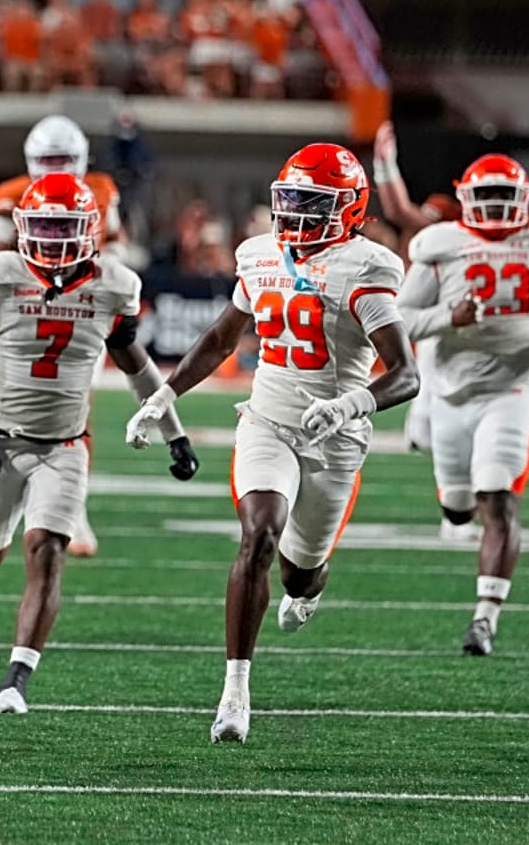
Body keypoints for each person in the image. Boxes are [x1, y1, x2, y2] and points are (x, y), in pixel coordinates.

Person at [126, 143, 419, 743]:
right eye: (292, 200)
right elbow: (221, 338)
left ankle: (309, 587)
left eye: (313, 203)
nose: (296, 214)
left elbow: (405, 374)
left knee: (299, 574)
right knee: (259, 533)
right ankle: (235, 692)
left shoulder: (365, 268)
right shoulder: (260, 254)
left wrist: (348, 404)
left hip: (335, 440)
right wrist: (163, 396)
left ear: (349, 209)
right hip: (267, 421)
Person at [0, 172, 197, 714]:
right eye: (44, 225)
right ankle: (14, 512)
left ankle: (16, 679)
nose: (54, 237)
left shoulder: (113, 285)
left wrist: (175, 434)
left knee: (48, 550)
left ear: (90, 230)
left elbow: (137, 368)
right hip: (1, 442)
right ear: (23, 226)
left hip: (65, 447)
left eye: (65, 227)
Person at [395, 154, 529, 656]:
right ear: (466, 198)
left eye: (503, 196)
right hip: (451, 389)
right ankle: (458, 516)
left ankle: (485, 617)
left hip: (515, 384)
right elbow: (399, 318)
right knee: (458, 506)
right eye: (484, 195)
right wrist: (449, 316)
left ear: (523, 200)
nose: (493, 205)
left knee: (498, 497)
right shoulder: (440, 246)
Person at [0, 114, 124, 558]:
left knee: (77, 411)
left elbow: (115, 246)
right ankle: (13, 495)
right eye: (48, 160)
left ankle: (70, 507)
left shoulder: (101, 190)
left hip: (80, 310)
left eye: (63, 159)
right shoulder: (12, 194)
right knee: (13, 407)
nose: (56, 168)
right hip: (28, 313)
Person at [369, 120, 461, 456]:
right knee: (424, 422)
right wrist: (384, 165)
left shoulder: (450, 237)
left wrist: (385, 165)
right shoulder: (434, 234)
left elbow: (401, 212)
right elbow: (402, 213)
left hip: (453, 325)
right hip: (432, 321)